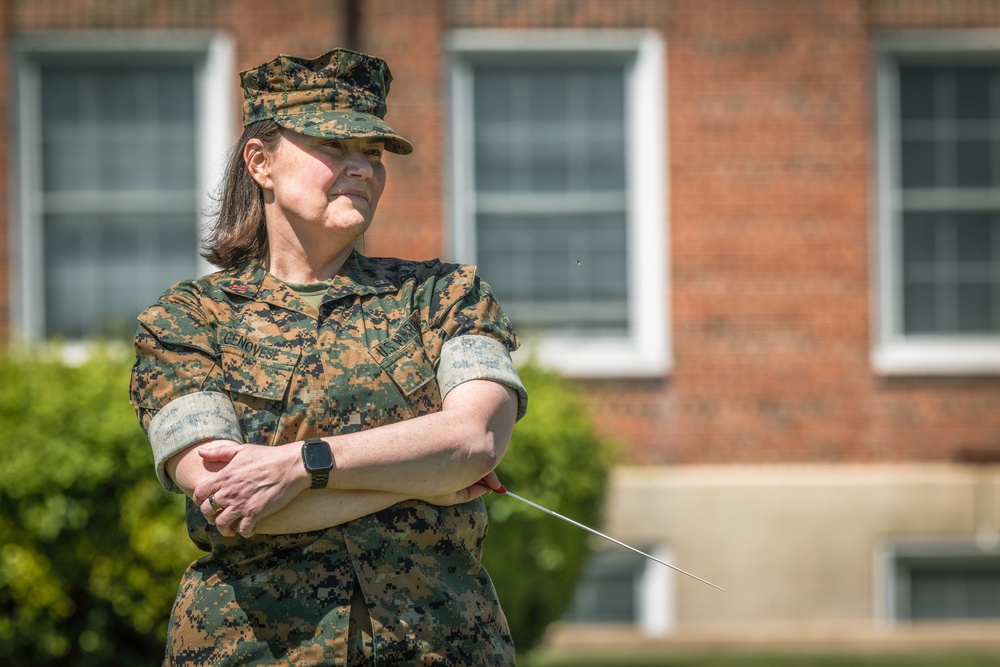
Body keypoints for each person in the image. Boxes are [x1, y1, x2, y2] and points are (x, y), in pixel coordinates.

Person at [129, 47, 527, 666]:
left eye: (373, 152)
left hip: (439, 644)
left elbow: (474, 441)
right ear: (260, 162)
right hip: (255, 648)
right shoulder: (187, 320)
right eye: (334, 146)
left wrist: (299, 466)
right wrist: (424, 478)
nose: (361, 168)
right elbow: (227, 500)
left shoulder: (446, 296)